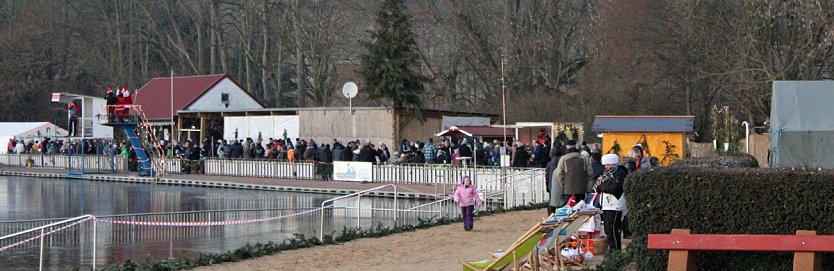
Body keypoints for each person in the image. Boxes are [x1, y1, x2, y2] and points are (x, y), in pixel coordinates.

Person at [594, 154, 628, 251]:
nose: (607, 167)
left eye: (610, 165)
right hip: (607, 204)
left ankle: (616, 251)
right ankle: (613, 250)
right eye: (606, 165)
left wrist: (601, 188)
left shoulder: (619, 173)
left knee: (612, 229)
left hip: (615, 204)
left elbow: (614, 188)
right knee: (608, 229)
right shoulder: (607, 174)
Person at [556, 140, 592, 206]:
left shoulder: (563, 159)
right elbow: (590, 172)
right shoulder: (584, 158)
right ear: (576, 146)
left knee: (568, 208)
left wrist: (563, 184)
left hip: (568, 188)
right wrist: (584, 182)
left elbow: (559, 173)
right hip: (581, 188)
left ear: (567, 147)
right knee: (581, 207)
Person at [545, 147, 563, 215]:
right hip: (561, 186)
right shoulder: (562, 163)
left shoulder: (549, 164)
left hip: (551, 186)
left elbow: (547, 177)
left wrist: (547, 186)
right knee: (561, 204)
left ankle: (550, 218)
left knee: (551, 204)